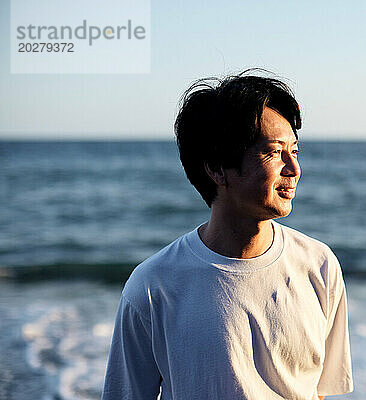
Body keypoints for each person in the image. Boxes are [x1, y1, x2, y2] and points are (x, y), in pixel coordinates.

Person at [101, 70, 353, 400]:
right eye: (274, 152)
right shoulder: (152, 286)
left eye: (295, 150)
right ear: (217, 168)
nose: (293, 168)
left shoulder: (319, 265)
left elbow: (320, 392)